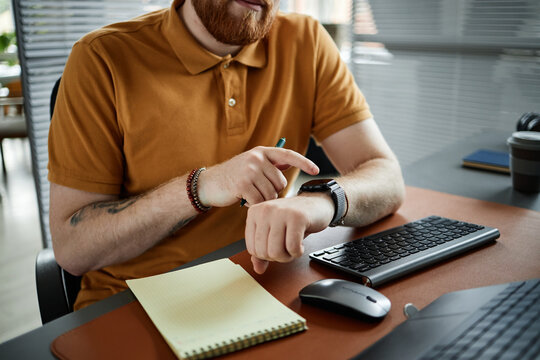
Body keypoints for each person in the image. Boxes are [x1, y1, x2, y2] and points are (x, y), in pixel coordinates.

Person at [48, 0, 405, 310]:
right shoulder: (101, 57)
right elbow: (72, 249)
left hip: (265, 289)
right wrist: (201, 187)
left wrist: (322, 200)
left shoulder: (306, 41)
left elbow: (385, 177)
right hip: (133, 302)